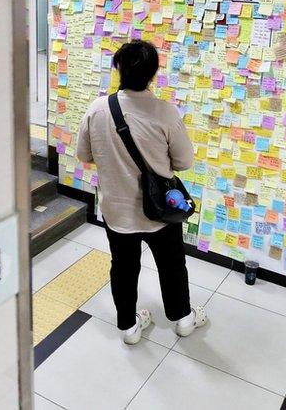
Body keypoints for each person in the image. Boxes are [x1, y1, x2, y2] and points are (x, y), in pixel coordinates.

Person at [76, 39, 207, 345]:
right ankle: (183, 319)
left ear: (118, 69)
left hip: (116, 211)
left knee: (123, 266)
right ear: (153, 74)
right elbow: (185, 162)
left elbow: (84, 154)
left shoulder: (97, 109)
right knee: (172, 264)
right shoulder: (165, 113)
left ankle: (128, 327)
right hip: (160, 210)